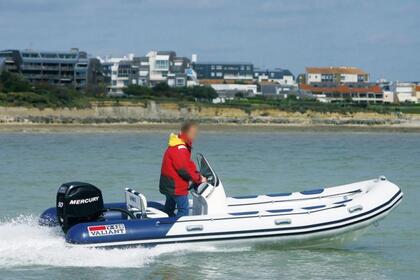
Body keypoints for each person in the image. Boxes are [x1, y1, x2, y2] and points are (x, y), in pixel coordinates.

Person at [159, 120, 206, 217]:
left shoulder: (178, 144)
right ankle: (177, 227)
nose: (195, 136)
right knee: (184, 210)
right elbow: (184, 170)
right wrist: (199, 179)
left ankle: (167, 222)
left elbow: (187, 163)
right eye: (193, 133)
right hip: (176, 187)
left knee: (169, 206)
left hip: (168, 184)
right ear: (186, 133)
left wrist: (197, 173)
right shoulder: (180, 148)